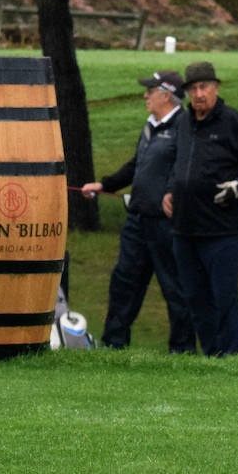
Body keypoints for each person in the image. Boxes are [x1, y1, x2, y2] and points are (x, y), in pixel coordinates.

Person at [161, 61, 238, 356]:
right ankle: (211, 356)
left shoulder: (232, 121)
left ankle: (230, 357)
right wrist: (171, 190)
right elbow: (178, 162)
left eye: (204, 87)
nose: (199, 94)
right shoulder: (184, 123)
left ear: (216, 88)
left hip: (220, 230)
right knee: (195, 298)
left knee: (223, 298)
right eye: (193, 89)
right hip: (184, 229)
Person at [80, 69, 195, 353]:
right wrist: (105, 184)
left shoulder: (184, 126)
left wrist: (172, 195)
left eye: (151, 90)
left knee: (175, 288)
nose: (145, 95)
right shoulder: (150, 126)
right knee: (124, 284)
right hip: (137, 222)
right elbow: (137, 165)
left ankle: (182, 351)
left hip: (166, 225)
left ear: (166, 95)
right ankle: (113, 345)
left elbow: (186, 169)